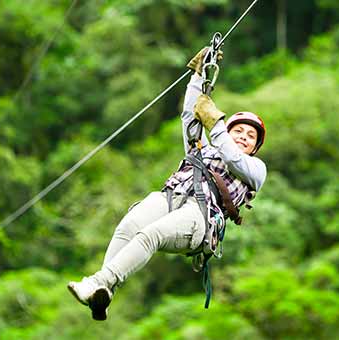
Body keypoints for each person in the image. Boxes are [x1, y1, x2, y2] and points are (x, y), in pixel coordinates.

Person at [67, 47, 267, 321]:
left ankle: (96, 281)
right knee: (129, 225)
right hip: (172, 196)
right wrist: (198, 77)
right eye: (239, 131)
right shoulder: (202, 148)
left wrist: (217, 123)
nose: (244, 137)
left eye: (250, 136)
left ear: (255, 147)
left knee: (151, 235)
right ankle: (103, 290)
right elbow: (189, 116)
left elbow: (232, 157)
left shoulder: (255, 169)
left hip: (201, 215)